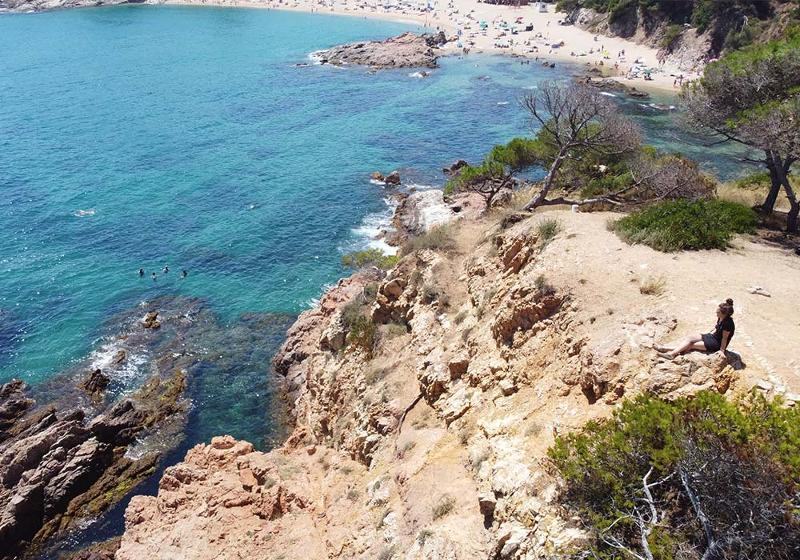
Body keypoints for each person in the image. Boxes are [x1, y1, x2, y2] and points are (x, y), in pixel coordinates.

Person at [656, 299, 735, 359]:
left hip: (716, 344)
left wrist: (721, 351)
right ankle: (665, 349)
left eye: (718, 312)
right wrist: (709, 333)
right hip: (713, 337)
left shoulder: (728, 324)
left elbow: (724, 338)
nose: (716, 312)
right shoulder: (721, 317)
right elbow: (717, 327)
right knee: (690, 338)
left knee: (691, 345)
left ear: (723, 314)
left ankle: (670, 353)